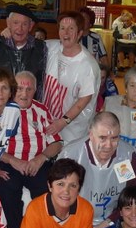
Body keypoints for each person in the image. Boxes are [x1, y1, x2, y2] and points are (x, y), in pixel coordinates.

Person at [0, 71, 63, 228]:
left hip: (37, 163)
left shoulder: (41, 110)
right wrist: (12, 160)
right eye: (19, 88)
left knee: (47, 193)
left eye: (29, 89)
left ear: (35, 91)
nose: (24, 94)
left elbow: (57, 143)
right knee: (7, 191)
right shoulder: (1, 110)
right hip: (9, 162)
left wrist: (40, 158)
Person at [59, 111, 136, 228]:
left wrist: (105, 224)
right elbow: (58, 198)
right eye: (102, 138)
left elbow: (134, 196)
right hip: (73, 221)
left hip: (113, 221)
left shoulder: (125, 157)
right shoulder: (71, 155)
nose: (108, 145)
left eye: (114, 138)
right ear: (91, 135)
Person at [42, 10, 100, 144]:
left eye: (71, 28)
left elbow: (84, 99)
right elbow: (26, 44)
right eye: (62, 28)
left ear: (80, 33)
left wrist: (63, 121)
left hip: (72, 130)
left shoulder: (88, 65)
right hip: (48, 123)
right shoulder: (51, 48)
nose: (65, 33)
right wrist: (7, 33)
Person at [0, 3, 48, 98]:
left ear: (31, 26)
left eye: (24, 24)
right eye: (16, 23)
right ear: (8, 23)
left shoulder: (40, 48)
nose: (20, 29)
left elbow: (41, 83)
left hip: (26, 107)